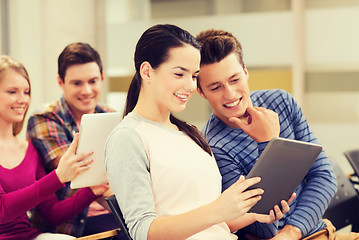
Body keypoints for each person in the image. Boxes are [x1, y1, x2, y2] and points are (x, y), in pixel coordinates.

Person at [104, 24, 295, 240]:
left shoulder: (190, 134)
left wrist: (254, 213)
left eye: (194, 76)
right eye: (179, 74)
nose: (189, 86)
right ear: (147, 71)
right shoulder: (128, 137)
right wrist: (218, 209)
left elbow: (213, 224)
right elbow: (143, 231)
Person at [195, 29, 359, 240]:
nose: (230, 94)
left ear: (245, 72)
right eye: (216, 87)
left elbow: (324, 176)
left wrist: (292, 231)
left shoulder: (281, 102)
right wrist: (269, 142)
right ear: (201, 92)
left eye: (234, 79)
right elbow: (266, 222)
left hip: (317, 231)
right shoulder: (214, 147)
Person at [0, 55, 109, 240]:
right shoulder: (44, 121)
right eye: (12, 92)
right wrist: (59, 176)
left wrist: (92, 191)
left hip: (29, 236)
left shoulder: (29, 150)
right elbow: (2, 209)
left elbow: (52, 213)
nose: (22, 100)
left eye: (26, 92)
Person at [26, 42, 117, 237]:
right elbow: (80, 171)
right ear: (60, 82)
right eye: (77, 83)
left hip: (112, 214)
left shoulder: (112, 115)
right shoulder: (44, 118)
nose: (86, 91)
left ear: (102, 78)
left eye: (93, 81)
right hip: (71, 226)